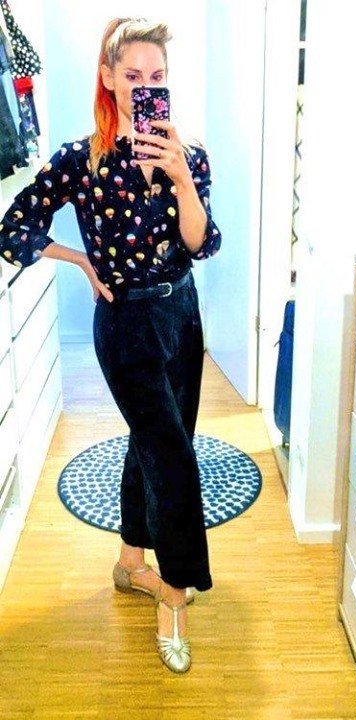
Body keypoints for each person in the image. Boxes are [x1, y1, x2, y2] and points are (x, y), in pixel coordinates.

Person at [0, 18, 222, 673]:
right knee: (174, 459)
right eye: (133, 75)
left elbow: (201, 243)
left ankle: (131, 563)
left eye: (157, 76)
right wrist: (79, 260)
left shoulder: (189, 153)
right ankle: (175, 597)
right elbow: (14, 226)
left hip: (181, 313)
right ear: (108, 78)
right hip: (124, 324)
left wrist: (182, 179)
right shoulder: (81, 159)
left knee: (153, 443)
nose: (146, 86)